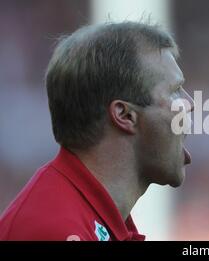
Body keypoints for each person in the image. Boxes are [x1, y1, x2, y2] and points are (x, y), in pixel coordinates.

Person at [0, 21, 194, 241]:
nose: (190, 103)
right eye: (175, 92)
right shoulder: (57, 230)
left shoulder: (97, 221)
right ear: (124, 115)